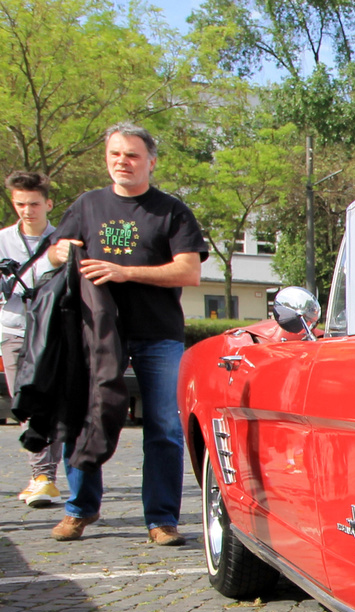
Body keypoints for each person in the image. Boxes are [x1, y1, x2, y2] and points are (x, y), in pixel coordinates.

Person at [46, 123, 205, 544]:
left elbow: (189, 270)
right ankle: (79, 510)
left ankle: (162, 519)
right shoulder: (87, 205)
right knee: (84, 417)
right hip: (94, 333)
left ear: (150, 162)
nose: (123, 162)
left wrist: (124, 271)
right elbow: (54, 251)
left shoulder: (172, 211)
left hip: (157, 334)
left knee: (163, 428)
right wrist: (62, 251)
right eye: (115, 154)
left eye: (132, 155)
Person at [1, 172, 62, 507]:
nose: (27, 210)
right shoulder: (2, 240)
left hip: (51, 333)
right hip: (13, 330)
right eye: (20, 204)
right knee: (23, 402)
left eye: (34, 204)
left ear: (48, 203)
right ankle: (41, 475)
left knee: (49, 403)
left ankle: (44, 476)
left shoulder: (62, 239)